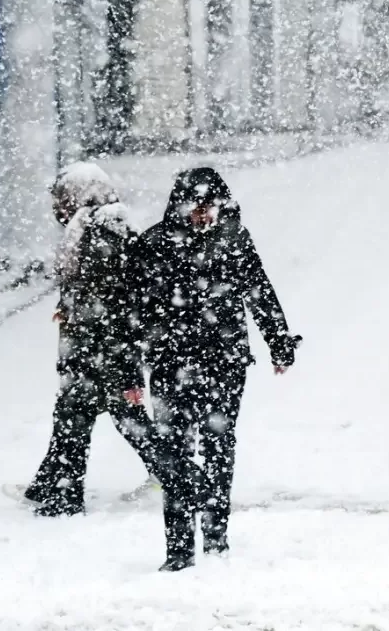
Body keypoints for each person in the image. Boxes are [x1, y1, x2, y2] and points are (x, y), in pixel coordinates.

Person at [134, 166, 300, 571]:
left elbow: (259, 291)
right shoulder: (155, 244)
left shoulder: (234, 240)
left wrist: (279, 343)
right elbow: (133, 307)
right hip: (171, 364)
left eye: (209, 206)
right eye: (195, 206)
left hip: (224, 363)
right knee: (173, 450)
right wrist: (135, 355)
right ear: (180, 205)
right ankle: (178, 549)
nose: (202, 214)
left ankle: (216, 539)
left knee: (218, 445)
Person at [8, 162, 167, 516]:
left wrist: (123, 366)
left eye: (62, 199)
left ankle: (174, 478)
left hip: (100, 352)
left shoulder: (101, 232)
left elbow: (113, 302)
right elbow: (96, 293)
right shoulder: (94, 227)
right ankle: (51, 489)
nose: (58, 209)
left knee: (100, 418)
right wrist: (69, 308)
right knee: (76, 417)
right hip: (93, 349)